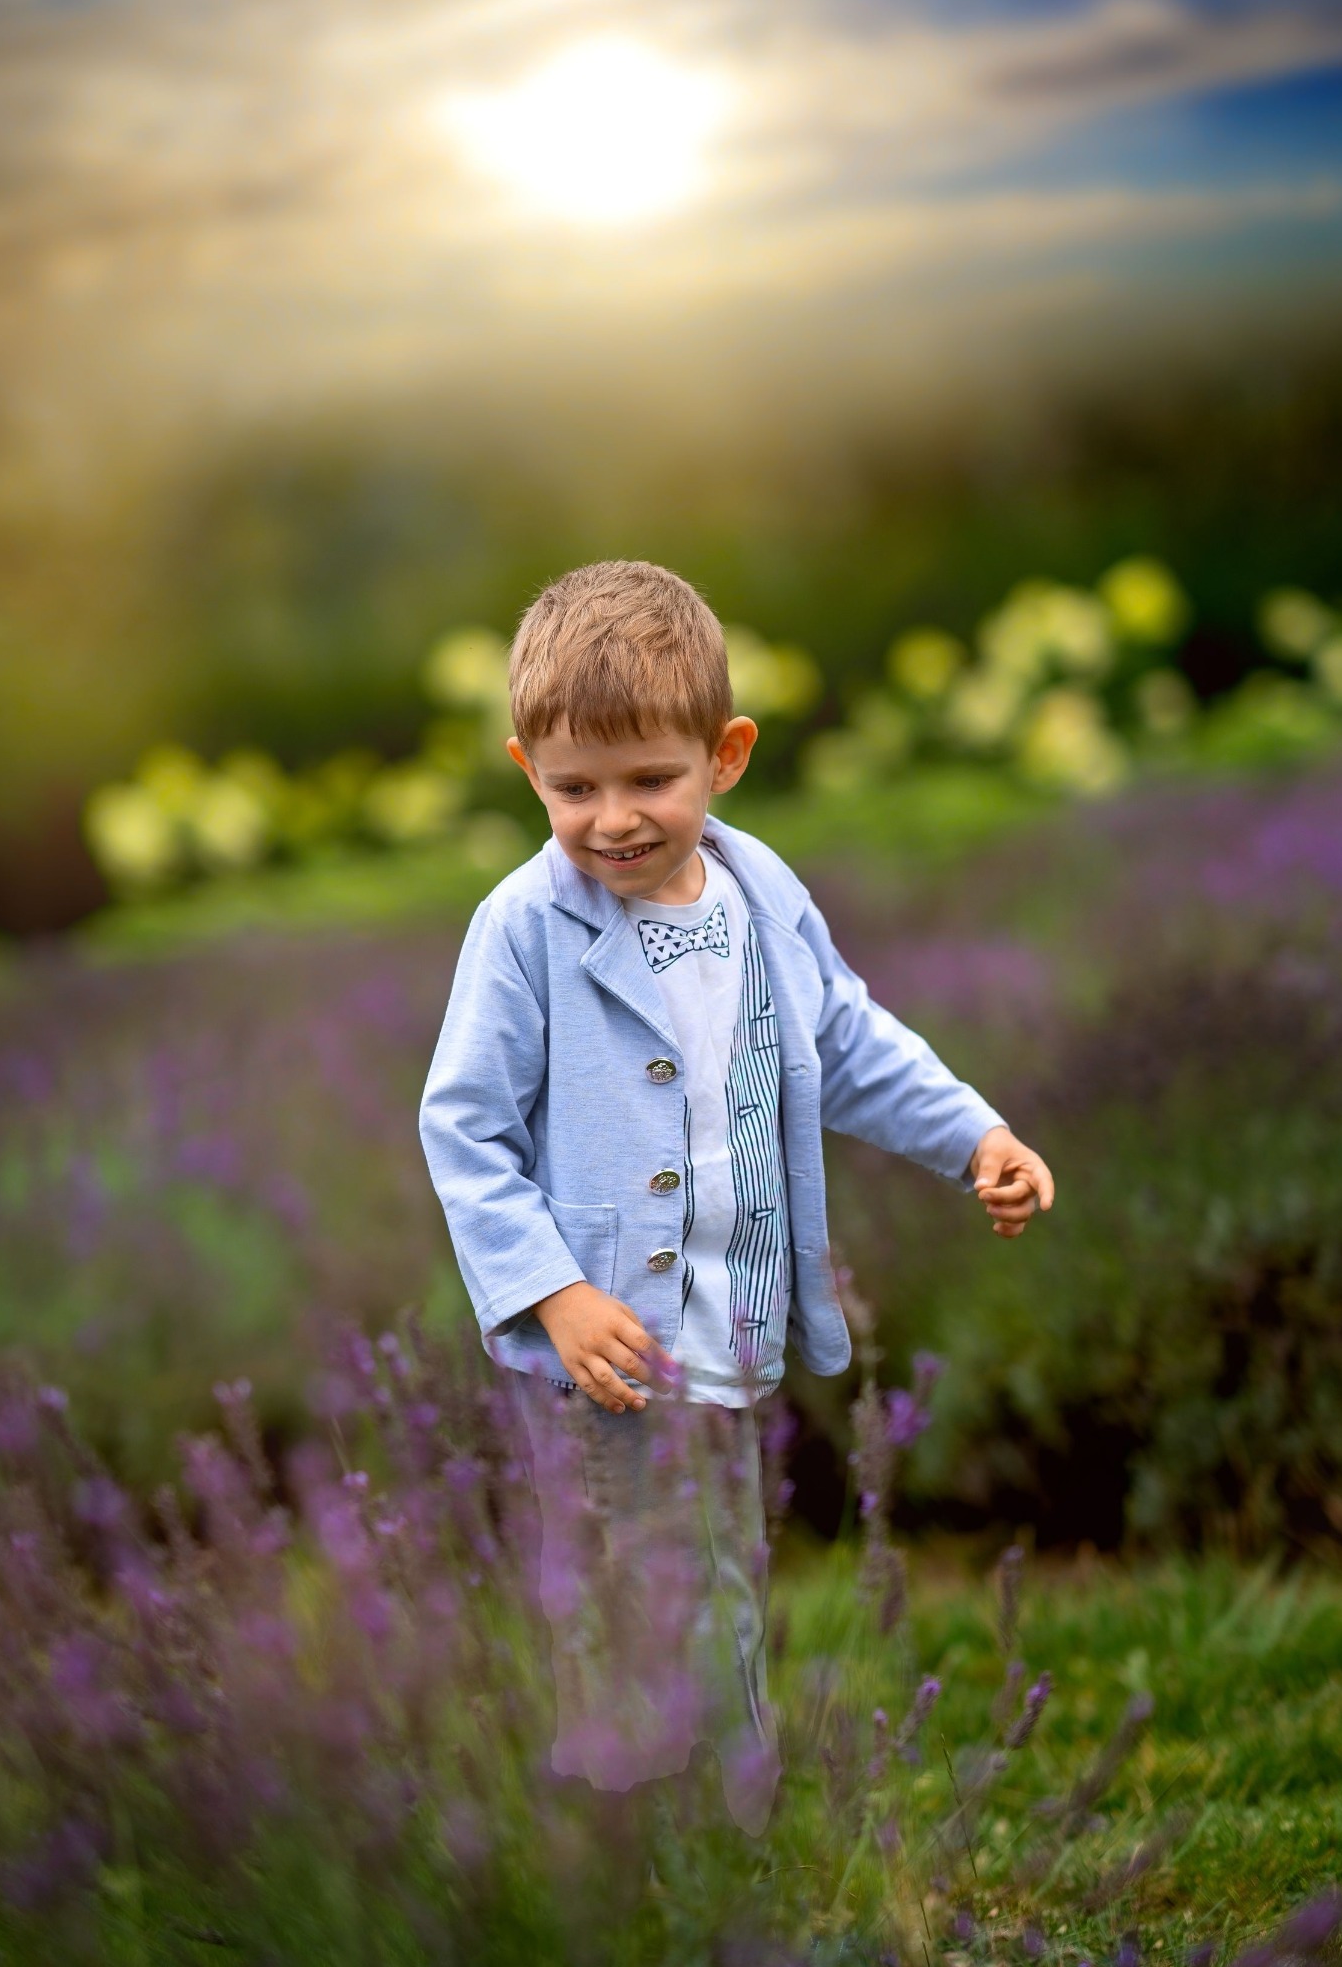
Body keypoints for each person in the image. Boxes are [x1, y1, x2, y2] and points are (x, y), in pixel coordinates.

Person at [419, 560, 1054, 1833]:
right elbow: (464, 1128)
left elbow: (847, 1040)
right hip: (607, 1349)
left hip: (728, 1328)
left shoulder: (760, 894)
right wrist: (551, 1292)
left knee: (718, 1577)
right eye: (573, 787)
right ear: (526, 768)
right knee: (633, 1596)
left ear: (727, 754)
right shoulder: (524, 926)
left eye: (649, 779)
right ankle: (659, 1840)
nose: (611, 819)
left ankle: (705, 1826)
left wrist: (973, 1132)